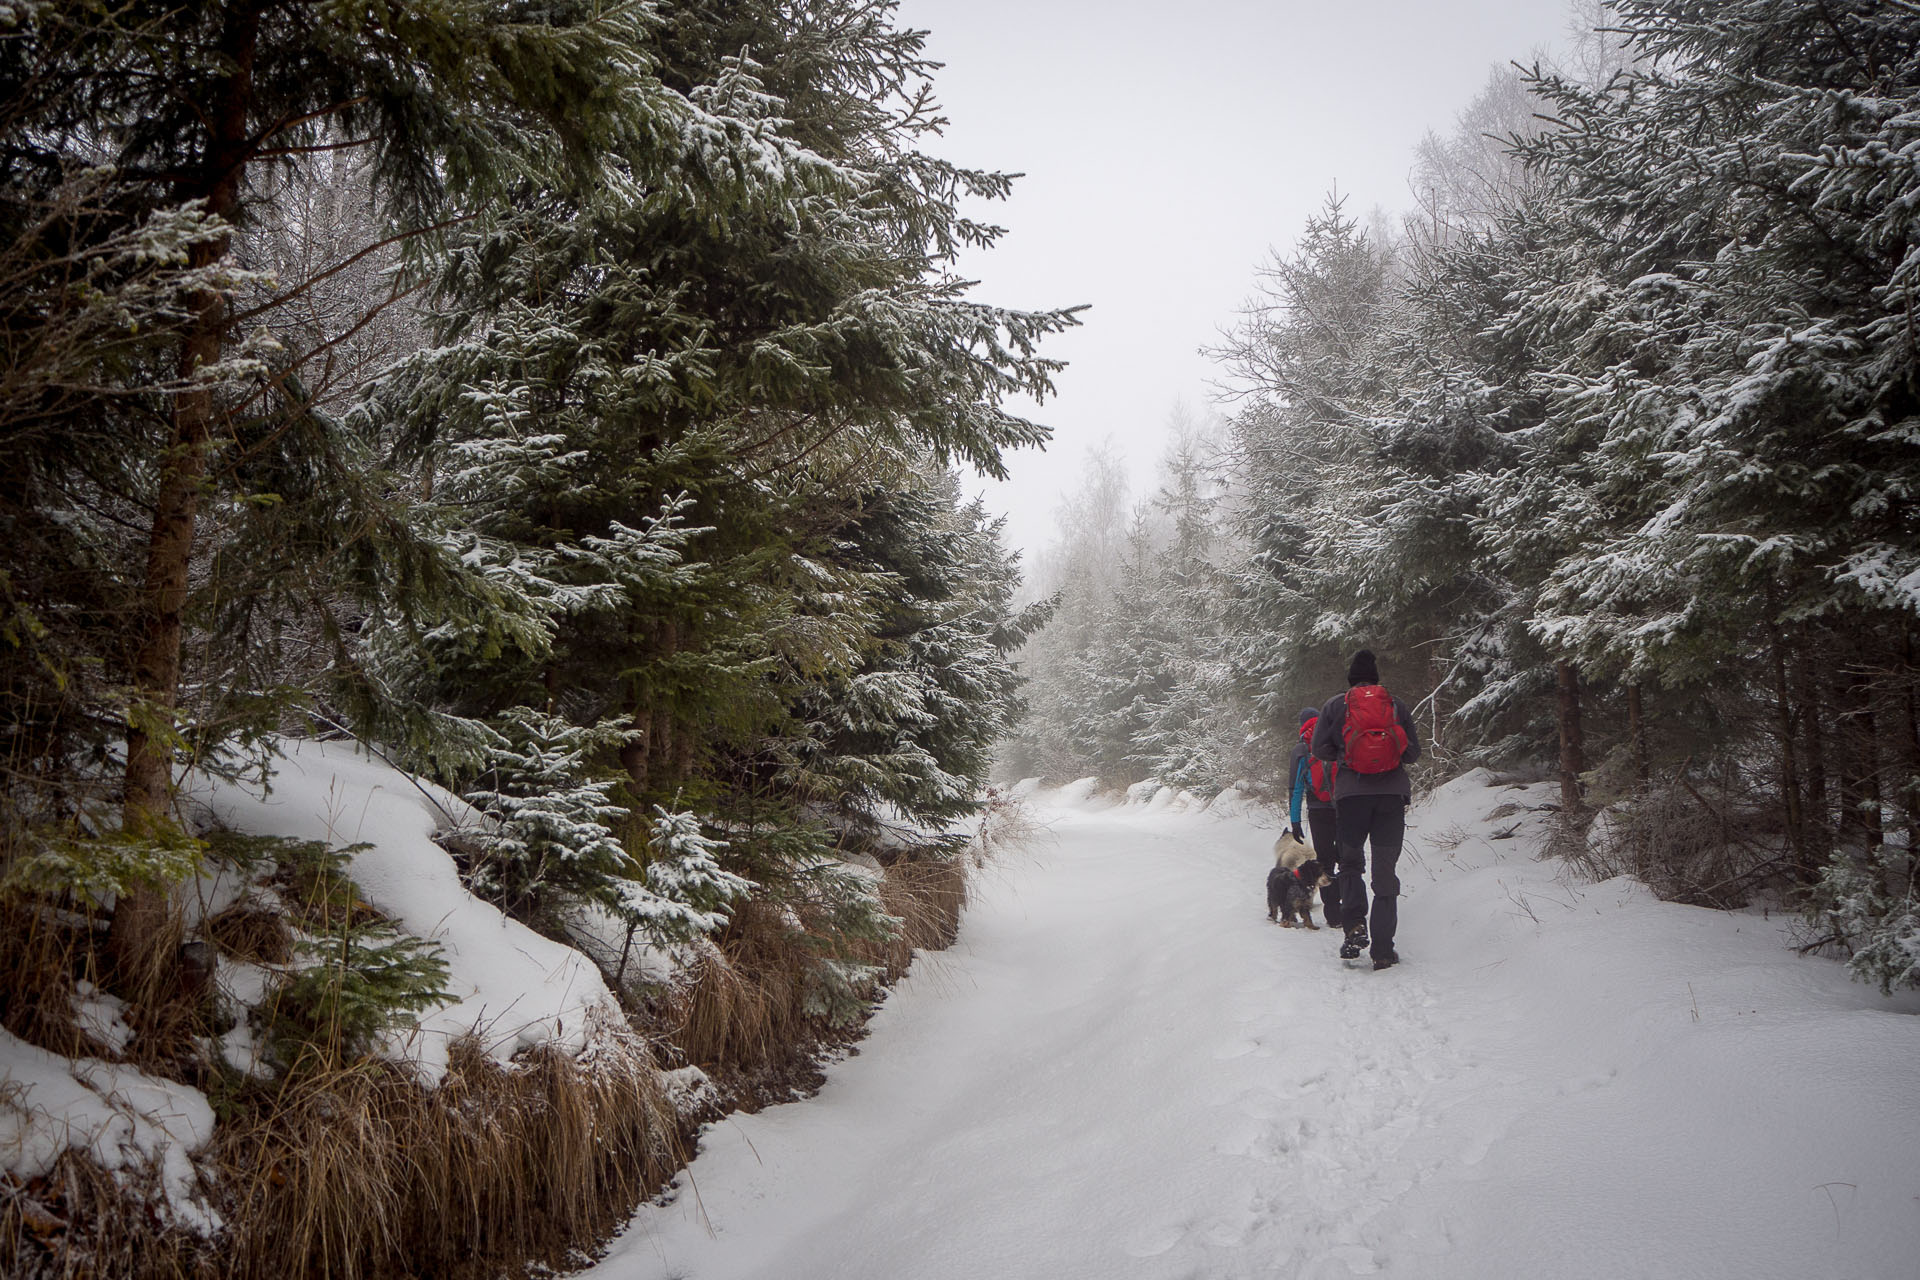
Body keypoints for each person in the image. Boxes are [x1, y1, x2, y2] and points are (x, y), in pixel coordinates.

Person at [1309, 649, 1421, 969]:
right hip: (1390, 798)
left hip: (1350, 798)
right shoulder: (1395, 705)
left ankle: (1355, 926)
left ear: (1350, 679)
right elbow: (1413, 753)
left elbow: (1319, 749)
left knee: (1350, 864)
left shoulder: (1335, 705)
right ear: (1376, 677)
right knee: (1384, 871)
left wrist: (1347, 755)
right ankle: (1383, 950)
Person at [1286, 706, 1341, 928]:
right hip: (1344, 807)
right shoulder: (1336, 736)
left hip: (1318, 811)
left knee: (1325, 862)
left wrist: (1295, 821)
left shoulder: (1301, 749)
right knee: (1347, 858)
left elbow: (1296, 788)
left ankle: (1334, 915)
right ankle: (1353, 909)